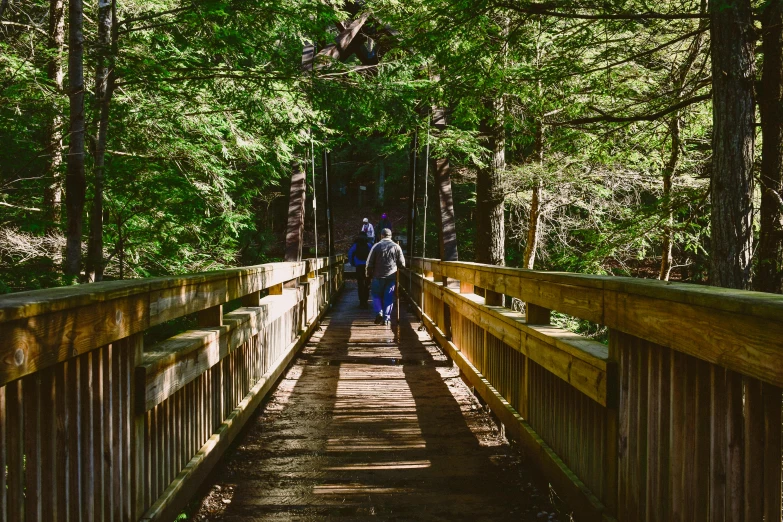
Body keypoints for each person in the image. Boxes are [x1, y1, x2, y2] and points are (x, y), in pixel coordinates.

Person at [366, 228, 405, 326]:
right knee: (388, 297)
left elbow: (369, 263)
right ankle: (386, 319)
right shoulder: (396, 247)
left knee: (376, 295)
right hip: (391, 277)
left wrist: (368, 275)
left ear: (381, 236)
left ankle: (379, 311)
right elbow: (402, 264)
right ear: (391, 236)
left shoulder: (376, 246)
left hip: (377, 276)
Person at [347, 232, 372, 308]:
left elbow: (350, 254)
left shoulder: (355, 245)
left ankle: (361, 302)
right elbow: (373, 254)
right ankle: (366, 301)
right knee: (367, 284)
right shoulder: (368, 245)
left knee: (360, 284)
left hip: (359, 266)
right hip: (367, 267)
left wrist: (352, 263)